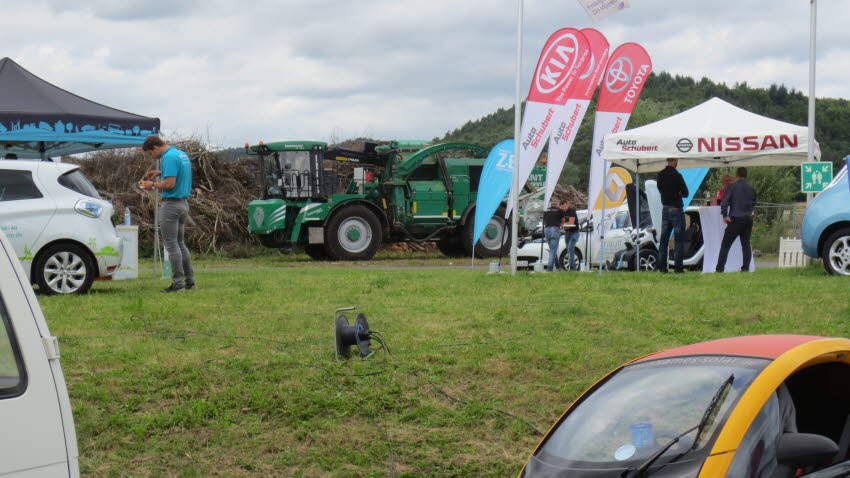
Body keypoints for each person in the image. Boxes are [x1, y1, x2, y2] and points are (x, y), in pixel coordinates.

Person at [140, 136, 196, 292]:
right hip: (183, 204)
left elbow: (170, 184)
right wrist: (159, 172)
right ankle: (190, 282)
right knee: (180, 243)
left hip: (171, 205)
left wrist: (152, 185)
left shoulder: (168, 157)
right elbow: (178, 174)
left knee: (171, 245)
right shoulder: (180, 154)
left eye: (150, 154)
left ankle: (178, 284)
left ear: (155, 148)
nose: (151, 157)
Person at [715, 167, 756, 273]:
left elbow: (724, 202)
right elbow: (753, 203)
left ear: (737, 175)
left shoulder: (732, 187)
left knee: (725, 245)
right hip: (748, 218)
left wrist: (724, 215)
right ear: (746, 175)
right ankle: (745, 268)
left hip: (736, 218)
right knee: (746, 244)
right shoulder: (751, 188)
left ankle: (719, 269)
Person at [656, 158, 689, 273]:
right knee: (679, 240)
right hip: (676, 209)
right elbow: (686, 193)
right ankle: (678, 268)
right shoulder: (677, 175)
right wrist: (677, 193)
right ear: (674, 161)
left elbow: (660, 189)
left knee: (664, 240)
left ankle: (662, 268)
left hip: (665, 209)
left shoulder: (660, 175)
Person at [543, 200, 566, 272]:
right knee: (553, 250)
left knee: (553, 249)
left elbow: (544, 221)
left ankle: (558, 266)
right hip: (555, 230)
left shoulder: (546, 210)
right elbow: (563, 221)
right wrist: (561, 224)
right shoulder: (560, 210)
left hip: (547, 230)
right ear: (557, 204)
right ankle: (549, 268)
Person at [561, 200, 579, 270]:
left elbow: (571, 222)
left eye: (565, 206)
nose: (564, 208)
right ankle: (571, 266)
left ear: (567, 205)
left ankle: (573, 267)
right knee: (568, 250)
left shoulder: (571, 210)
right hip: (567, 233)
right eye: (562, 207)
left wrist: (563, 224)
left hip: (574, 232)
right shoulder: (561, 212)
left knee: (570, 248)